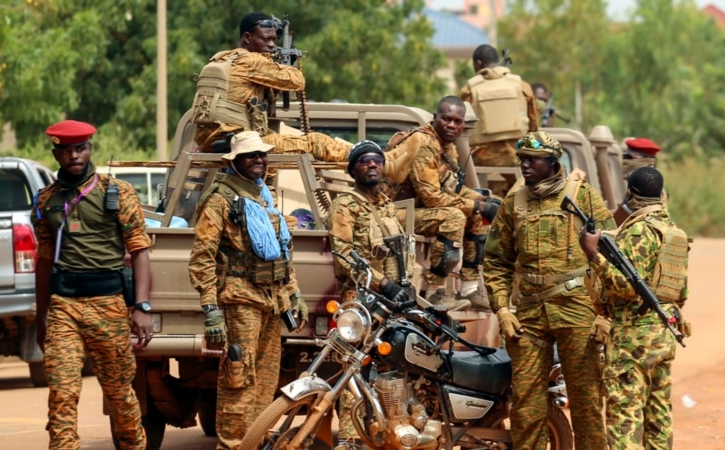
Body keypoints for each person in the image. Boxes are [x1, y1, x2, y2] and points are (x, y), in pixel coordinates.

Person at [483, 131, 612, 449]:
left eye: (533, 160)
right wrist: (502, 310)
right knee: (526, 407)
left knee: (586, 403)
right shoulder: (515, 202)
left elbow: (612, 254)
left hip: (577, 309)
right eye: (522, 160)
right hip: (528, 314)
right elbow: (496, 260)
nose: (525, 166)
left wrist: (606, 314)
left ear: (553, 162)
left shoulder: (582, 196)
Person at [32, 119, 153, 450]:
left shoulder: (117, 193)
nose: (74, 156)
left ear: (90, 149)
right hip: (63, 308)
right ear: (57, 153)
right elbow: (43, 261)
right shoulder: (46, 201)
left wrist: (142, 306)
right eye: (67, 150)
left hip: (108, 306)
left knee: (119, 396)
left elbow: (140, 251)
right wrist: (41, 317)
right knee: (62, 393)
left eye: (81, 148)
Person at [188, 130, 308, 450]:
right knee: (237, 380)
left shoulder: (262, 197)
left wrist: (294, 293)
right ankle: (231, 444)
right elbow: (202, 258)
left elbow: (283, 252)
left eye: (262, 154)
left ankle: (255, 442)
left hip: (272, 299)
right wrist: (211, 309)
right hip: (240, 300)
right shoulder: (221, 200)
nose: (259, 160)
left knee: (266, 383)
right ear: (236, 161)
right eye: (251, 155)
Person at [579, 166, 690, 449]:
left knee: (624, 417)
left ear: (630, 193)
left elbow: (625, 288)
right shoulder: (673, 231)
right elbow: (681, 291)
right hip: (663, 332)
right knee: (659, 415)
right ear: (661, 195)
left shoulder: (638, 231)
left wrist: (593, 253)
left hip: (633, 338)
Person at [382, 96, 497, 311]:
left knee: (479, 210)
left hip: (412, 210)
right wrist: (478, 206)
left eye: (457, 121)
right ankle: (436, 293)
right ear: (435, 118)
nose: (452, 125)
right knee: (455, 216)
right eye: (446, 119)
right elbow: (433, 197)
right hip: (390, 214)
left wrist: (483, 201)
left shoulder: (447, 146)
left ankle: (470, 289)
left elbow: (451, 188)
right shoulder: (425, 144)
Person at [192, 11, 350, 163]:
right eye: (266, 39)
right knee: (315, 142)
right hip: (240, 142)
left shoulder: (223, 59)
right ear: (247, 37)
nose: (272, 45)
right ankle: (361, 155)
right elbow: (296, 80)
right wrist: (284, 64)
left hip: (211, 138)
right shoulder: (251, 61)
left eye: (274, 40)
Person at [459, 44, 539, 196]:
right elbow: (534, 125)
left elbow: (458, 127)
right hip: (517, 156)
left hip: (479, 157)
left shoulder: (469, 90)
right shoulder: (522, 86)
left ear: (478, 63)